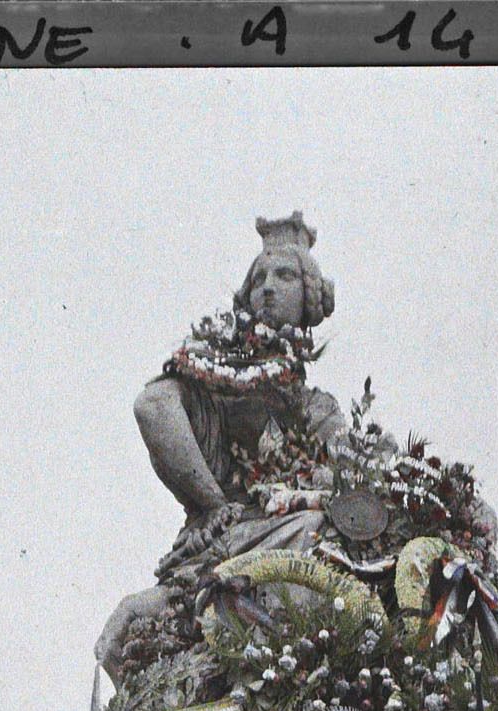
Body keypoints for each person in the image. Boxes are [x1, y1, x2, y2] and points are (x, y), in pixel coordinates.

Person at [95, 213, 348, 683]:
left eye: (284, 276)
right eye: (259, 279)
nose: (268, 288)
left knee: (318, 533)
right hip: (224, 533)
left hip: (286, 532)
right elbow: (153, 407)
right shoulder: (218, 379)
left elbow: (353, 476)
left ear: (309, 297)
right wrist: (214, 504)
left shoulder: (318, 408)